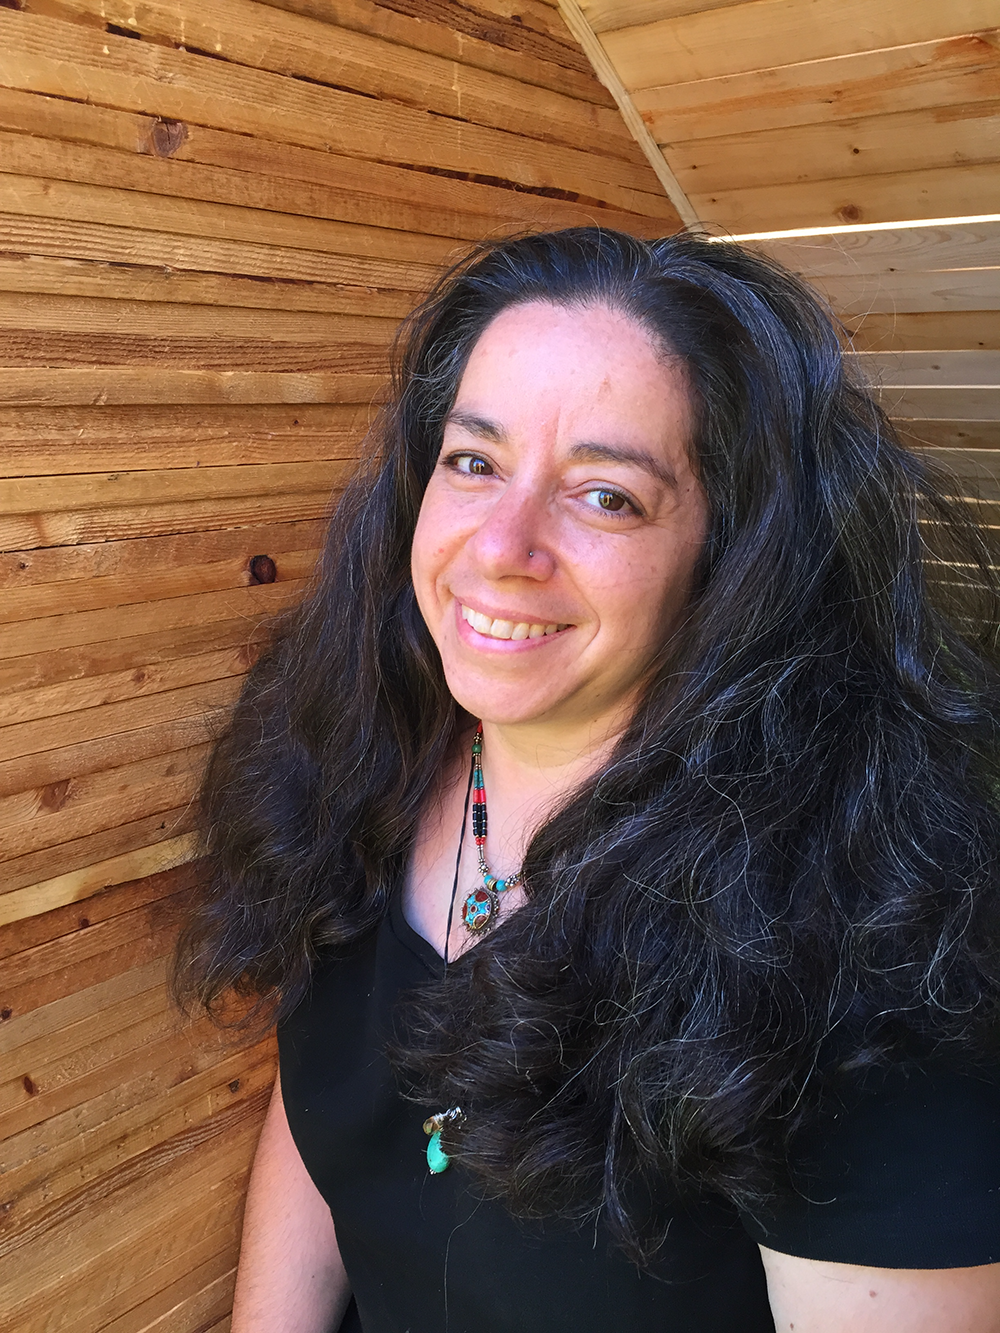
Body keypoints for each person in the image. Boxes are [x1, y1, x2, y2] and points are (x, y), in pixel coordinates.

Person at [176, 229, 1000, 1332]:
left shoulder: (854, 948)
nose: (501, 544)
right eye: (473, 461)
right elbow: (333, 1099)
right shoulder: (367, 761)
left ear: (732, 559)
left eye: (606, 495)